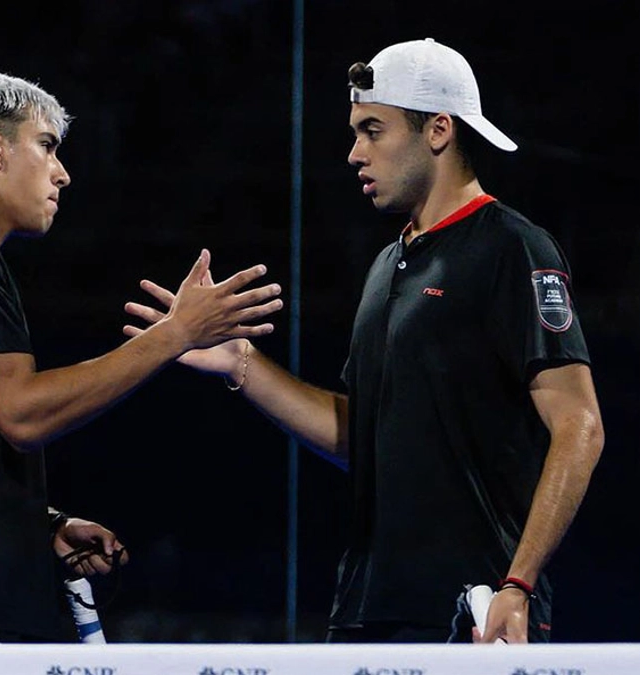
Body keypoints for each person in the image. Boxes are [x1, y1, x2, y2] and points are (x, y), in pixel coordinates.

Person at [124, 37, 605, 644]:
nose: (354, 153)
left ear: (437, 131)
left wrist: (520, 584)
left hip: (477, 614)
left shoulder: (514, 248)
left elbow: (580, 425)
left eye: (373, 130)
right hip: (365, 608)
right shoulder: (386, 264)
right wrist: (241, 363)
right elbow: (366, 438)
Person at [0, 64, 283, 643]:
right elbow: (23, 412)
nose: (62, 173)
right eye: (47, 145)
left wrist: (40, 526)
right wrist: (175, 334)